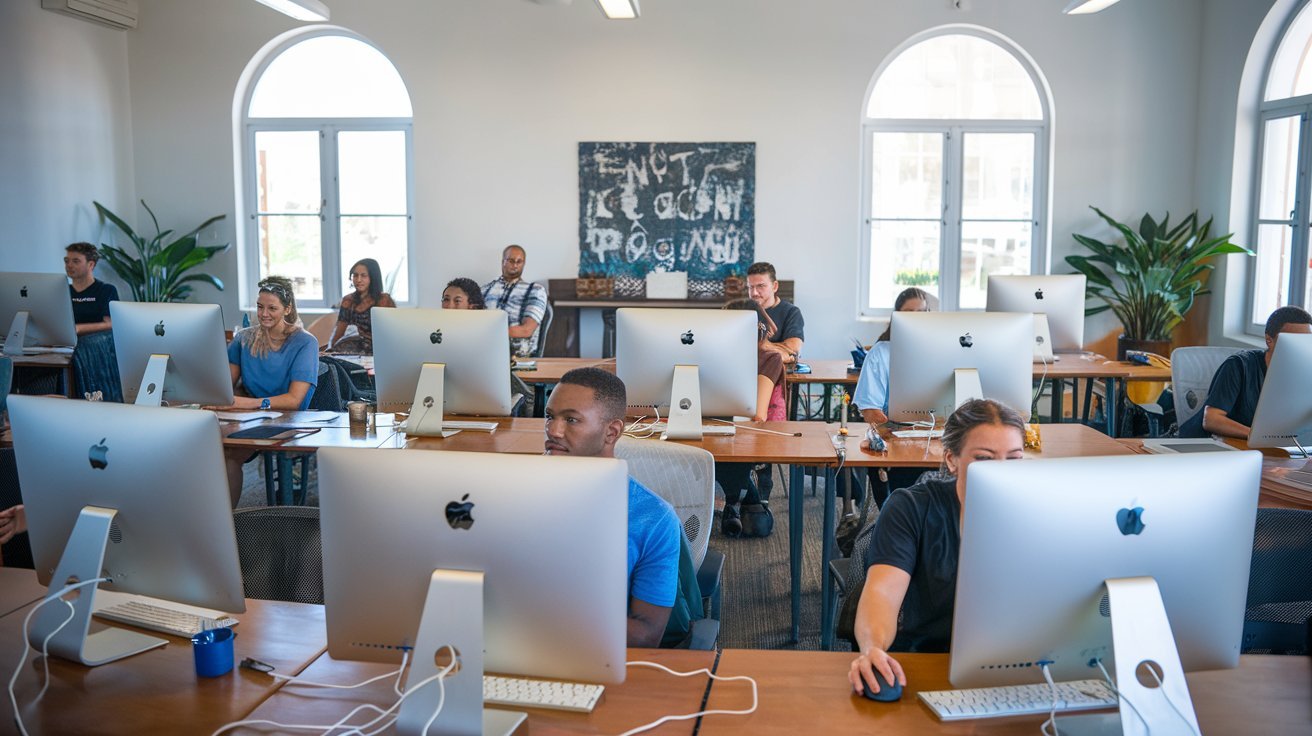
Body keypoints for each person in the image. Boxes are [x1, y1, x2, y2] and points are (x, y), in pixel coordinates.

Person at [848, 398, 1025, 697]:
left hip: (1018, 666)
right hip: (930, 662)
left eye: (1014, 458)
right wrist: (873, 648)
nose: (1002, 471)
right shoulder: (912, 507)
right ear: (952, 460)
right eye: (985, 458)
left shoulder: (1043, 511)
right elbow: (882, 592)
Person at [543, 367, 681, 648]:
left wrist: (539, 619)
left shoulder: (653, 518)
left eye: (571, 419)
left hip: (597, 656)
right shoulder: (512, 493)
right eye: (550, 417)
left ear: (611, 432)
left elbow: (646, 634)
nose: (553, 431)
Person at [215, 276, 320, 506]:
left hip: (291, 421)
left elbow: (294, 400)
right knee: (222, 452)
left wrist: (245, 403)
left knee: (228, 450)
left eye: (272, 308)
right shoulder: (244, 338)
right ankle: (223, 522)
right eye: (260, 307)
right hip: (253, 418)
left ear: (287, 309)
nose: (264, 314)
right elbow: (224, 386)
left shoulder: (305, 342)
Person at [1178, 305, 1312, 439]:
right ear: (1269, 340)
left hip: (1259, 448)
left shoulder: (1303, 374)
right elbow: (1211, 420)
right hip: (1206, 445)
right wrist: (1262, 437)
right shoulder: (1238, 365)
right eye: (1293, 340)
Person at [852, 287, 933, 506]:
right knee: (909, 499)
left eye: (922, 313)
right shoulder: (881, 353)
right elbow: (869, 410)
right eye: (909, 313)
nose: (915, 319)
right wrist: (899, 434)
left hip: (935, 435)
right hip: (897, 436)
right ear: (896, 316)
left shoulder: (941, 349)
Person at [717, 298, 786, 538]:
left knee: (757, 528)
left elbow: (757, 413)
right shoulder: (715, 353)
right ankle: (734, 498)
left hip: (749, 433)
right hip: (717, 426)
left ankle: (733, 500)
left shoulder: (769, 357)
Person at [482, 245, 548, 358]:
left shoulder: (535, 290)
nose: (515, 265)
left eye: (519, 261)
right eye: (511, 260)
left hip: (518, 356)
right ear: (503, 261)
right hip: (484, 351)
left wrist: (487, 334)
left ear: (524, 263)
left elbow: (527, 330)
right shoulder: (485, 290)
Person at [328, 258, 396, 354]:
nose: (358, 280)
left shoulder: (384, 300)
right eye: (355, 275)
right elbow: (339, 332)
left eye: (363, 276)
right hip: (350, 351)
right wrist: (331, 351)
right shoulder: (348, 300)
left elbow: (391, 334)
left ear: (372, 277)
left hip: (377, 351)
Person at [745, 261, 804, 365]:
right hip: (746, 367)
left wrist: (762, 346)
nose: (754, 293)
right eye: (750, 287)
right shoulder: (742, 312)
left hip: (779, 371)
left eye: (761, 286)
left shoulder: (791, 312)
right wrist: (772, 347)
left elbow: (793, 349)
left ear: (775, 286)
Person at [65, 242, 118, 336]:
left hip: (95, 345)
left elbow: (110, 324)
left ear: (91, 265)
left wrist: (78, 328)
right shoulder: (62, 291)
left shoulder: (106, 290)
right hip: (65, 343)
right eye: (67, 261)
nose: (69, 265)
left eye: (75, 261)